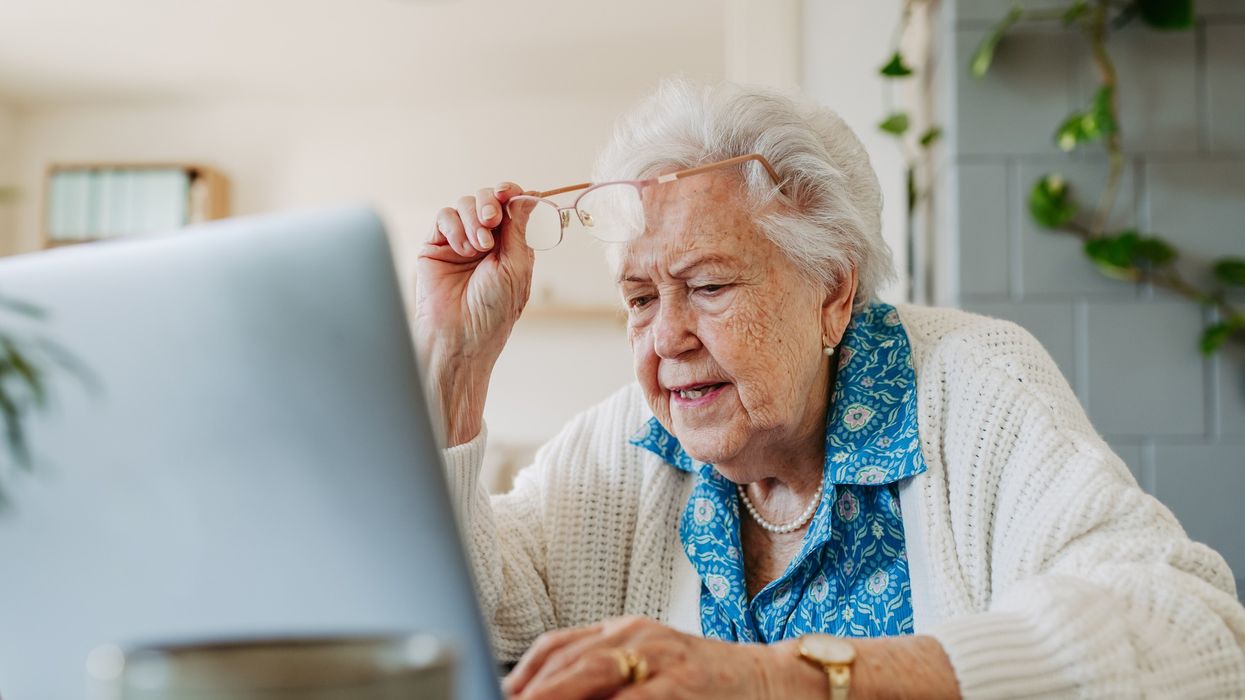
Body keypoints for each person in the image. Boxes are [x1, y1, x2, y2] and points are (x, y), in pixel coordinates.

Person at [414, 80, 1245, 699]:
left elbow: (1190, 631)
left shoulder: (967, 389)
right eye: (639, 299)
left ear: (832, 293)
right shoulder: (625, 444)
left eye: (707, 287)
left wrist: (787, 680)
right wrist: (456, 363)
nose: (665, 336)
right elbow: (466, 633)